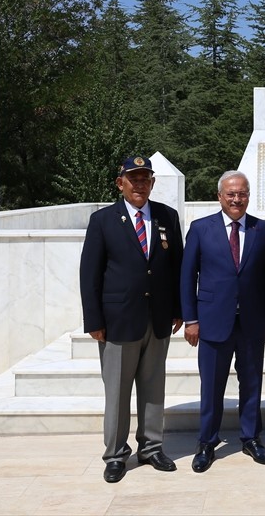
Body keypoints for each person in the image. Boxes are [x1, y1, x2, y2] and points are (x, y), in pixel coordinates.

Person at [79, 154, 183, 483]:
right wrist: (94, 319)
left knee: (154, 388)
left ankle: (151, 447)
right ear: (119, 182)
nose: (140, 184)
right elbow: (89, 274)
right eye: (133, 178)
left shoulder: (167, 216)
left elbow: (176, 268)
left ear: (152, 183)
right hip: (118, 320)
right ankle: (115, 454)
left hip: (158, 318)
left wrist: (179, 309)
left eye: (145, 179)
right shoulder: (104, 221)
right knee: (118, 392)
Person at [181, 170, 265, 472]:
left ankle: (251, 438)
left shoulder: (261, 230)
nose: (237, 199)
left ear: (249, 196)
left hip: (251, 321)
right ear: (220, 196)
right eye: (231, 194)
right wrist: (191, 319)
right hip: (212, 322)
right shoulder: (200, 229)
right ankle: (207, 442)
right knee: (211, 387)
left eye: (243, 193)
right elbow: (187, 277)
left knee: (251, 383)